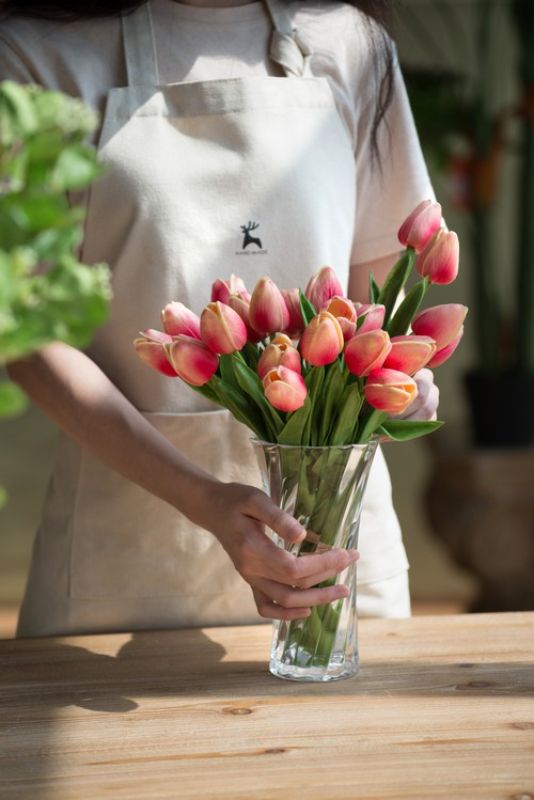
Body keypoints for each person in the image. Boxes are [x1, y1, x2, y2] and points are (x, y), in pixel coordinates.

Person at [1, 0, 438, 638]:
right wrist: (205, 499)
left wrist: (403, 379)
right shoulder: (34, 56)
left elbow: (385, 272)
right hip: (124, 570)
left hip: (334, 551)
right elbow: (23, 330)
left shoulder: (350, 44)